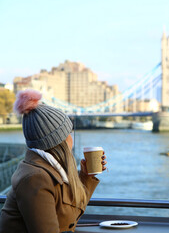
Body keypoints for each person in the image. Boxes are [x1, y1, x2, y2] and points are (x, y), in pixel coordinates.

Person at [0, 89, 107, 233]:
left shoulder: (46, 170)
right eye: (69, 133)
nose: (71, 138)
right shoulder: (36, 179)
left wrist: (86, 176)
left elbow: (69, 216)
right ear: (59, 141)